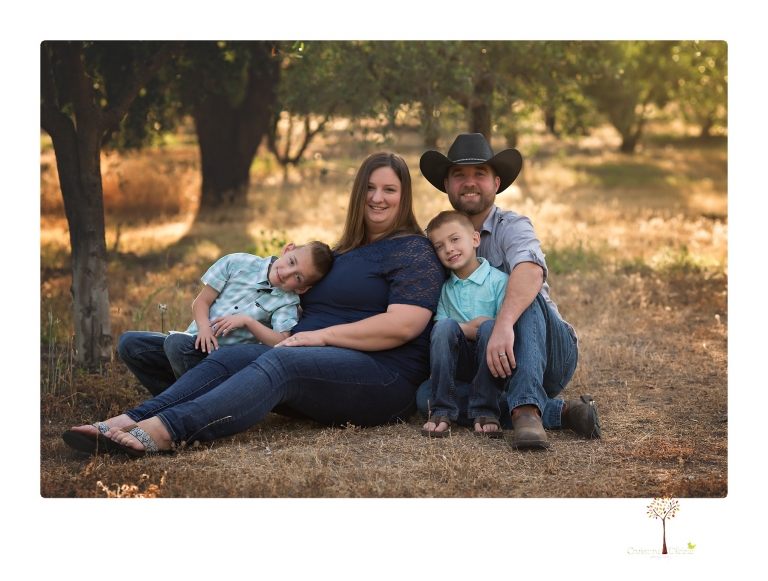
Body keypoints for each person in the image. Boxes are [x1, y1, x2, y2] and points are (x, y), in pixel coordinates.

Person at [62, 151, 444, 457]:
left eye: (390, 190)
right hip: (305, 359)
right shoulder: (340, 252)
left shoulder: (414, 250)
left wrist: (319, 338)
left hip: (382, 377)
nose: (378, 198)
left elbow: (404, 326)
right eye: (370, 188)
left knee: (281, 361)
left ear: (403, 195)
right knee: (228, 359)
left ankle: (167, 431)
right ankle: (126, 421)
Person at [418, 133, 601, 449]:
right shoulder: (441, 238)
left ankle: (528, 409)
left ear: (496, 182)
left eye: (480, 174)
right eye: (459, 175)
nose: (469, 182)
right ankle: (561, 412)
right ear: (447, 185)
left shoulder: (513, 225)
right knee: (426, 396)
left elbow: (531, 272)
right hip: (484, 364)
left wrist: (502, 325)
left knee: (523, 288)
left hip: (545, 353)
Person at [116, 241, 335, 397]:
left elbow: (280, 340)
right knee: (130, 343)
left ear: (303, 288)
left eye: (297, 276)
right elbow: (201, 303)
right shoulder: (237, 263)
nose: (287, 273)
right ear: (287, 249)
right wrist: (203, 329)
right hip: (192, 343)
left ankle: (181, 401)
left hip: (221, 360)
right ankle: (175, 398)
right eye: (291, 261)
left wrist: (248, 321)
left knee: (175, 344)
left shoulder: (286, 302)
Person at [420, 210, 509, 439]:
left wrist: (480, 326)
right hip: (458, 369)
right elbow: (442, 332)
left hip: (494, 364)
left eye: (454, 239)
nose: (448, 249)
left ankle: (486, 409)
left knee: (490, 329)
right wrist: (474, 324)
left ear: (475, 239)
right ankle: (443, 410)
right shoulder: (444, 289)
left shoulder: (499, 281)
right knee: (423, 396)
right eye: (439, 246)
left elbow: (504, 328)